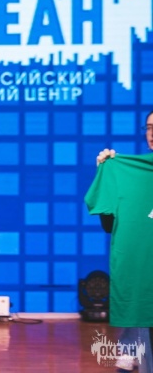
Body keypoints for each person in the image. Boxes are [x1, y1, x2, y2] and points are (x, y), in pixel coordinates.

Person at [89, 112, 153, 372]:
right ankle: (129, 354)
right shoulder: (128, 171)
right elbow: (109, 225)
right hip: (141, 277)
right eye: (149, 127)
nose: (152, 134)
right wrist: (106, 175)